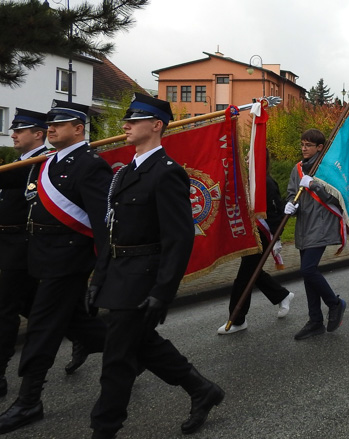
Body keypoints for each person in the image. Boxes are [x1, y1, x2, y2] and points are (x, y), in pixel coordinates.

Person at [88, 93, 224, 439]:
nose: (126, 125)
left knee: (118, 357)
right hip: (118, 275)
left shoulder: (167, 174)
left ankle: (104, 428)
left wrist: (163, 292)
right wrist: (98, 279)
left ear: (157, 125)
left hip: (142, 277)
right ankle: (201, 389)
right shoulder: (123, 176)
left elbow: (179, 239)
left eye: (135, 120)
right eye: (127, 120)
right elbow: (112, 231)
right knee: (143, 343)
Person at [0, 101, 109, 435]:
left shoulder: (90, 165)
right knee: (77, 324)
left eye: (58, 124)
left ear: (79, 128)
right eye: (49, 124)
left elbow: (101, 224)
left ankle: (29, 400)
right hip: (39, 258)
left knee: (42, 330)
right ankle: (140, 354)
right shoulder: (42, 165)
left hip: (69, 261)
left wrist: (103, 272)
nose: (51, 129)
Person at [0, 110, 50, 397]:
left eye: (20, 130)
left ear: (38, 134)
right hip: (8, 246)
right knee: (35, 309)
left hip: (22, 248)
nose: (13, 134)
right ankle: (90, 336)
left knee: (5, 309)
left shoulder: (40, 164)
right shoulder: (21, 163)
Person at [217, 155, 293, 334]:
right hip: (251, 236)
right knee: (253, 273)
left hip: (264, 237)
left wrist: (276, 239)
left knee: (243, 278)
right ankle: (282, 295)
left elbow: (276, 213)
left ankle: (237, 320)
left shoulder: (266, 182)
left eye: (251, 158)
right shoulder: (250, 182)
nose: (247, 161)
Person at [284, 129, 346, 340]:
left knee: (308, 269)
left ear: (320, 147)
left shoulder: (328, 168)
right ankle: (315, 320)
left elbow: (338, 198)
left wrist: (314, 186)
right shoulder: (298, 168)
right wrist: (290, 205)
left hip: (321, 225)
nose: (304, 148)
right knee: (307, 274)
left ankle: (335, 303)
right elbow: (293, 192)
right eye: (302, 144)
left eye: (308, 145)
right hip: (304, 226)